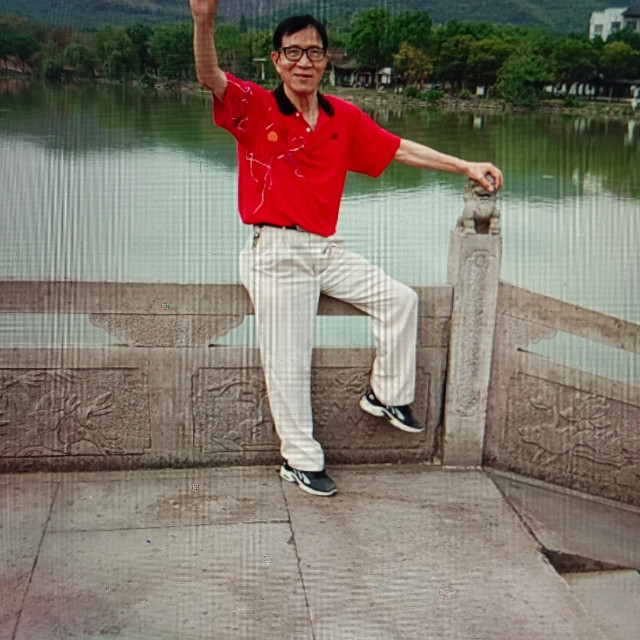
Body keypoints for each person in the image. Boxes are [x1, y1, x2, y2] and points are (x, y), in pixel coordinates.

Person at [190, 0, 503, 497]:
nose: (304, 61)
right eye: (293, 52)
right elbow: (210, 75)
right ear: (276, 60)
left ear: (326, 60)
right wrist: (204, 19)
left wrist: (464, 165)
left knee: (399, 300)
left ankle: (387, 393)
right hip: (276, 252)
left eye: (313, 52)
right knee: (289, 360)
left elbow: (399, 148)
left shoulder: (342, 117)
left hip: (324, 249)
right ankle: (299, 460)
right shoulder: (255, 106)